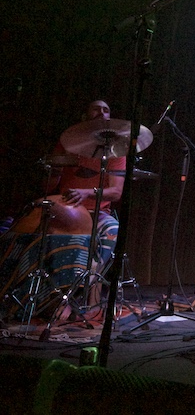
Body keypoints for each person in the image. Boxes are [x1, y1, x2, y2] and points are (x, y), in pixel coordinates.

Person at [0, 100, 123, 321]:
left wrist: (87, 193)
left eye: (106, 110)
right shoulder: (68, 143)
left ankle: (89, 296)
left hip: (96, 212)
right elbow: (48, 187)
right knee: (37, 236)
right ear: (84, 117)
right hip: (66, 208)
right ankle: (49, 299)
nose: (102, 113)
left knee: (113, 230)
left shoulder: (116, 151)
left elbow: (116, 192)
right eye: (96, 108)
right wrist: (55, 172)